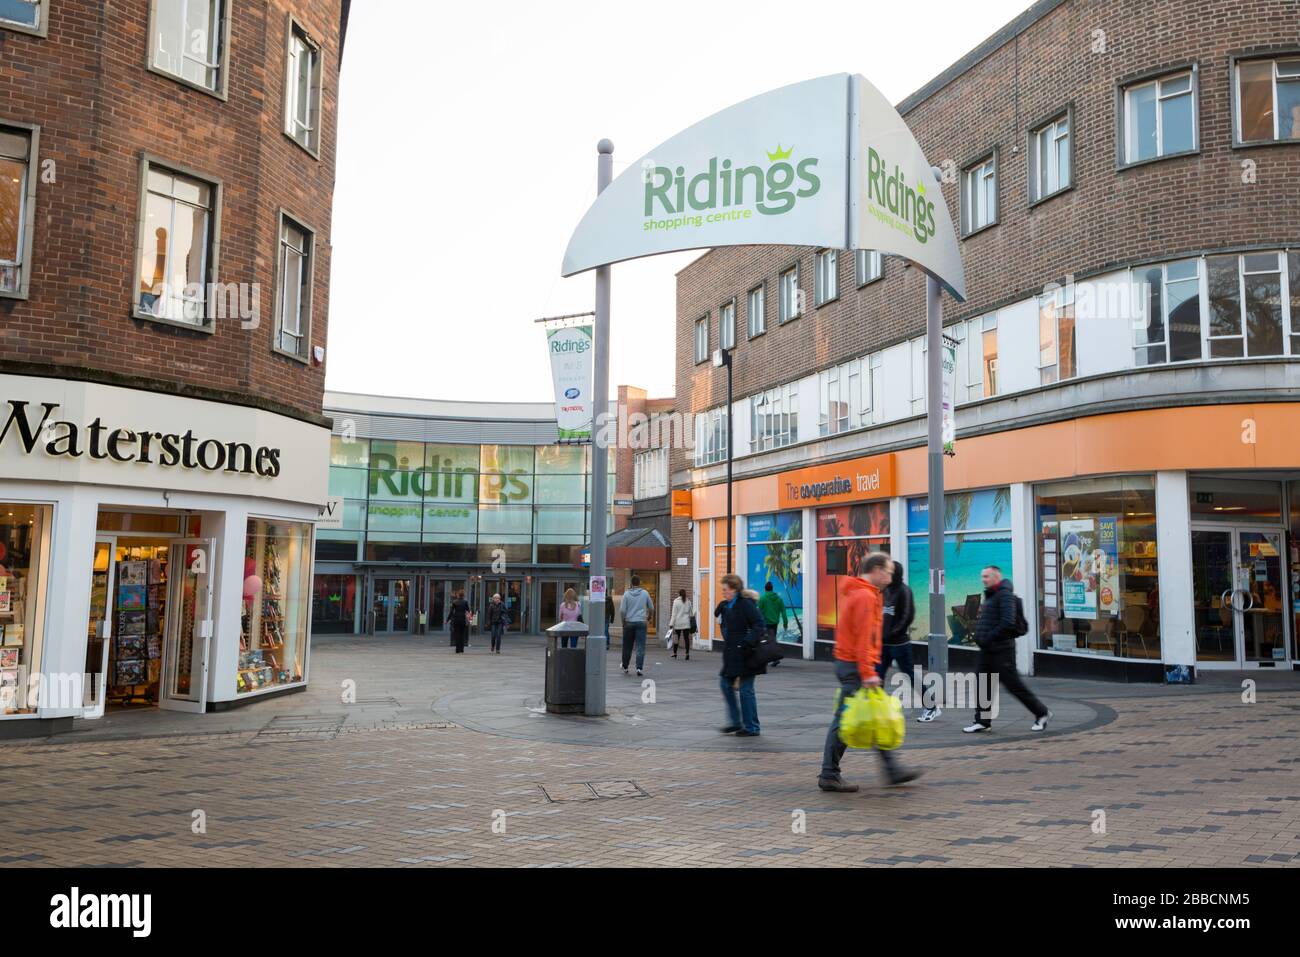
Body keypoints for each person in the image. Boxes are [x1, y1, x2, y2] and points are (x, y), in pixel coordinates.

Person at [819, 552, 921, 792]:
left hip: (850, 663)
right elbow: (864, 638)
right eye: (887, 571)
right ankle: (829, 774)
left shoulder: (860, 592)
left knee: (872, 715)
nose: (890, 576)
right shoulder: (865, 596)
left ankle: (892, 770)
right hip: (856, 666)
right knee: (845, 720)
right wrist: (868, 672)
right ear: (875, 570)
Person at [964, 565, 1051, 733]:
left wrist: (988, 637)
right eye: (982, 576)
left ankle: (1042, 713)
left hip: (1002, 650)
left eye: (987, 576)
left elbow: (1007, 622)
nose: (983, 579)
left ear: (996, 577)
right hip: (988, 650)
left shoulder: (1004, 595)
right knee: (983, 683)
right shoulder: (992, 594)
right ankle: (982, 721)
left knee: (1013, 685)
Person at [878, 560, 935, 721]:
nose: (886, 574)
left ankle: (931, 707)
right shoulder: (887, 590)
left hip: (900, 644)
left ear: (895, 573)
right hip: (885, 643)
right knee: (878, 675)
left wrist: (892, 633)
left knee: (910, 675)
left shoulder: (904, 591)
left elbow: (907, 616)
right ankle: (879, 709)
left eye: (889, 571)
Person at [715, 574, 765, 737]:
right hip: (732, 655)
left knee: (745, 690)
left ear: (734, 589)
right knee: (725, 684)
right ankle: (736, 722)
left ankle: (751, 727)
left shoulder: (745, 605)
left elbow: (759, 625)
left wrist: (746, 643)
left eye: (725, 590)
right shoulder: (730, 605)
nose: (723, 593)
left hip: (746, 654)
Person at [619, 576, 654, 676]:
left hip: (629, 622)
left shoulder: (626, 594)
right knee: (640, 646)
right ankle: (639, 668)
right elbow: (651, 607)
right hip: (641, 622)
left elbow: (622, 610)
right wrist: (649, 617)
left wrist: (623, 621)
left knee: (627, 646)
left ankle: (625, 666)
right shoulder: (645, 593)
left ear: (631, 583)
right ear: (639, 583)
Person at [757, 582, 787, 668]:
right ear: (772, 589)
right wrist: (785, 623)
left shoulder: (763, 598)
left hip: (765, 623)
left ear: (765, 589)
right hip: (775, 623)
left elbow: (758, 611)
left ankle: (771, 659)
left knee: (764, 641)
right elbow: (784, 612)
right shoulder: (779, 599)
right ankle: (773, 658)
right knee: (772, 639)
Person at [669, 588, 693, 660]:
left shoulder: (676, 601)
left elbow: (674, 614)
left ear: (678, 594)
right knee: (686, 639)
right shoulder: (688, 601)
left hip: (678, 623)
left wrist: (671, 624)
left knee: (677, 638)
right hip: (686, 622)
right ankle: (687, 654)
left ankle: (675, 653)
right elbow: (691, 613)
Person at [448, 589, 471, 654]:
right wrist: (469, 617)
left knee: (457, 634)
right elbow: (468, 610)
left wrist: (447, 620)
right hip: (462, 619)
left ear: (458, 595)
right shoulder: (465, 602)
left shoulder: (454, 602)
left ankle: (457, 649)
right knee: (462, 634)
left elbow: (451, 612)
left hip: (456, 619)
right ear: (463, 595)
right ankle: (462, 649)